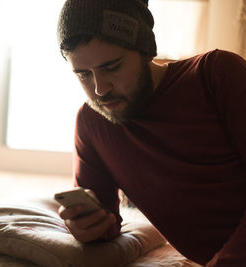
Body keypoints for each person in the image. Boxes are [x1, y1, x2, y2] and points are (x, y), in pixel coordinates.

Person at [55, 0, 246, 266]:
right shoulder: (92, 123)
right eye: (83, 74)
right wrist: (88, 228)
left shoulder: (215, 75)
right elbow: (106, 226)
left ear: (146, 51)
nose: (99, 89)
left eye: (112, 67)